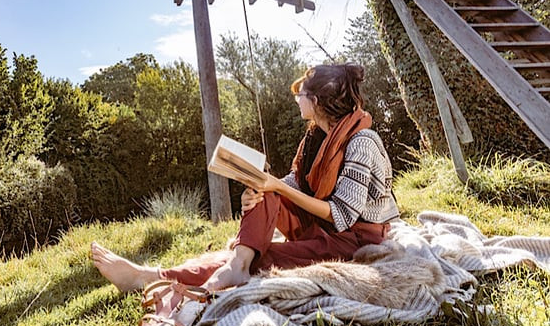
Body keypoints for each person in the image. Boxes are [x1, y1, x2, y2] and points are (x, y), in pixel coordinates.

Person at [91, 63, 400, 294]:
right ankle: (236, 263)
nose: (297, 100)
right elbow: (294, 183)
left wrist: (276, 186)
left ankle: (148, 277)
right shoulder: (316, 137)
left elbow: (342, 215)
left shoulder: (362, 142)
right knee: (261, 193)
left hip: (353, 239)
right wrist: (261, 189)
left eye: (301, 94)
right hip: (322, 228)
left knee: (262, 257)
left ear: (317, 101)